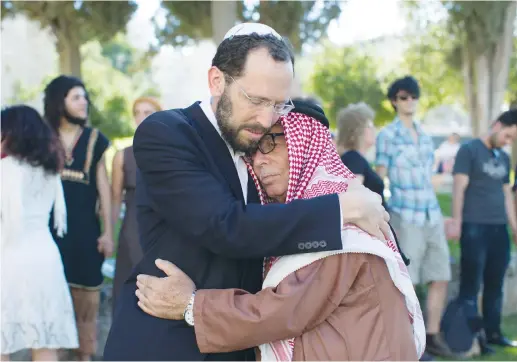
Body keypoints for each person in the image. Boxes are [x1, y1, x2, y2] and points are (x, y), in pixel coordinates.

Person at [103, 23, 389, 361]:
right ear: (216, 81)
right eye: (255, 100)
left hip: (239, 347)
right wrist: (342, 209)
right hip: (167, 345)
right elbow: (225, 225)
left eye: (278, 105)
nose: (266, 118)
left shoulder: (257, 147)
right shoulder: (167, 133)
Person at [135, 102, 425, 361]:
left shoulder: (346, 225)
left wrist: (192, 305)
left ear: (307, 145)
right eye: (251, 151)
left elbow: (281, 312)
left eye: (271, 143)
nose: (258, 161)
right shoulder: (320, 215)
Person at [375, 76, 453, 359]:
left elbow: (427, 179)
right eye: (404, 97)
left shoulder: (425, 135)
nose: (410, 101)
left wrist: (443, 216)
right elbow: (379, 177)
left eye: (414, 96)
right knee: (406, 283)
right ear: (395, 101)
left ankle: (432, 336)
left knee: (441, 276)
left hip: (431, 215)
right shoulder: (387, 135)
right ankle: (409, 344)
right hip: (405, 216)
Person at [1, 105, 79, 361]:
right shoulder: (49, 169)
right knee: (44, 341)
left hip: (10, 256)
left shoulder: (6, 169)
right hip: (45, 257)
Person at [44, 75, 113, 361]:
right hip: (48, 234)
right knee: (53, 293)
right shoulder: (42, 139)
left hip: (86, 232)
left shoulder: (95, 140)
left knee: (87, 297)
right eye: (76, 97)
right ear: (60, 102)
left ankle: (85, 354)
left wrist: (108, 232)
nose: (84, 102)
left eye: (85, 96)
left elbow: (104, 189)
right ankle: (54, 350)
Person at [451, 109, 517, 348]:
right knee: (471, 286)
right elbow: (459, 188)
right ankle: (471, 339)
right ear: (497, 125)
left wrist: (514, 227)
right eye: (508, 136)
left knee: (495, 285)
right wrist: (457, 221)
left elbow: (506, 193)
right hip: (474, 227)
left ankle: (493, 333)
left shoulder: (504, 157)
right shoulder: (468, 150)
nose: (508, 142)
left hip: (499, 229)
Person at [111, 96, 162, 311]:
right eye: (137, 113)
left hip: (162, 230)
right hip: (131, 230)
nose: (141, 117)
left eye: (147, 112)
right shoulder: (122, 156)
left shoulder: (169, 153)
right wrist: (109, 235)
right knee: (128, 291)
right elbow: (114, 199)